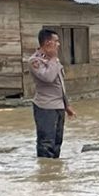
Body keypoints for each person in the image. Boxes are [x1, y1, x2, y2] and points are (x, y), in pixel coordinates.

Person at [27, 27, 74, 158]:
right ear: (48, 43)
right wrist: (53, 59)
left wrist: (66, 105)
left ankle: (54, 171)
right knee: (46, 143)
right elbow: (48, 77)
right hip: (45, 107)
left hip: (58, 106)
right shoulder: (35, 61)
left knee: (57, 142)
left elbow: (60, 84)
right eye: (56, 41)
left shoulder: (54, 59)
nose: (58, 44)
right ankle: (45, 172)